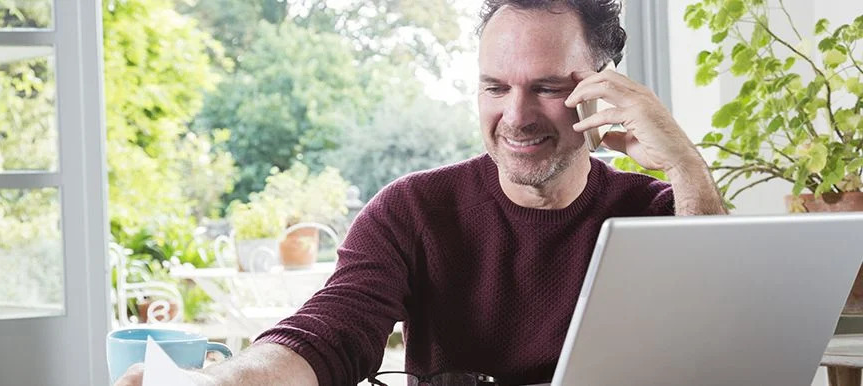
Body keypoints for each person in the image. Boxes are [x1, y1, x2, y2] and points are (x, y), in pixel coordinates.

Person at [115, 0, 727, 385]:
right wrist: (225, 384)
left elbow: (722, 341)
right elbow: (331, 333)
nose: (515, 116)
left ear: (601, 90)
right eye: (494, 87)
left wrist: (687, 167)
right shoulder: (413, 211)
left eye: (545, 87)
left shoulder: (655, 213)